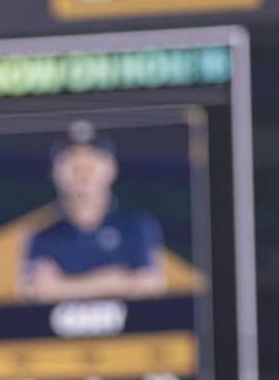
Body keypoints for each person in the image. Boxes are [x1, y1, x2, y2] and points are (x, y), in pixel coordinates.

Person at [18, 124, 168, 301]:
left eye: (93, 157)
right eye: (71, 158)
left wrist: (62, 286)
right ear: (55, 172)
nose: (82, 167)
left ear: (112, 168)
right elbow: (36, 293)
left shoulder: (136, 226)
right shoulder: (42, 237)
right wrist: (115, 280)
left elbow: (150, 284)